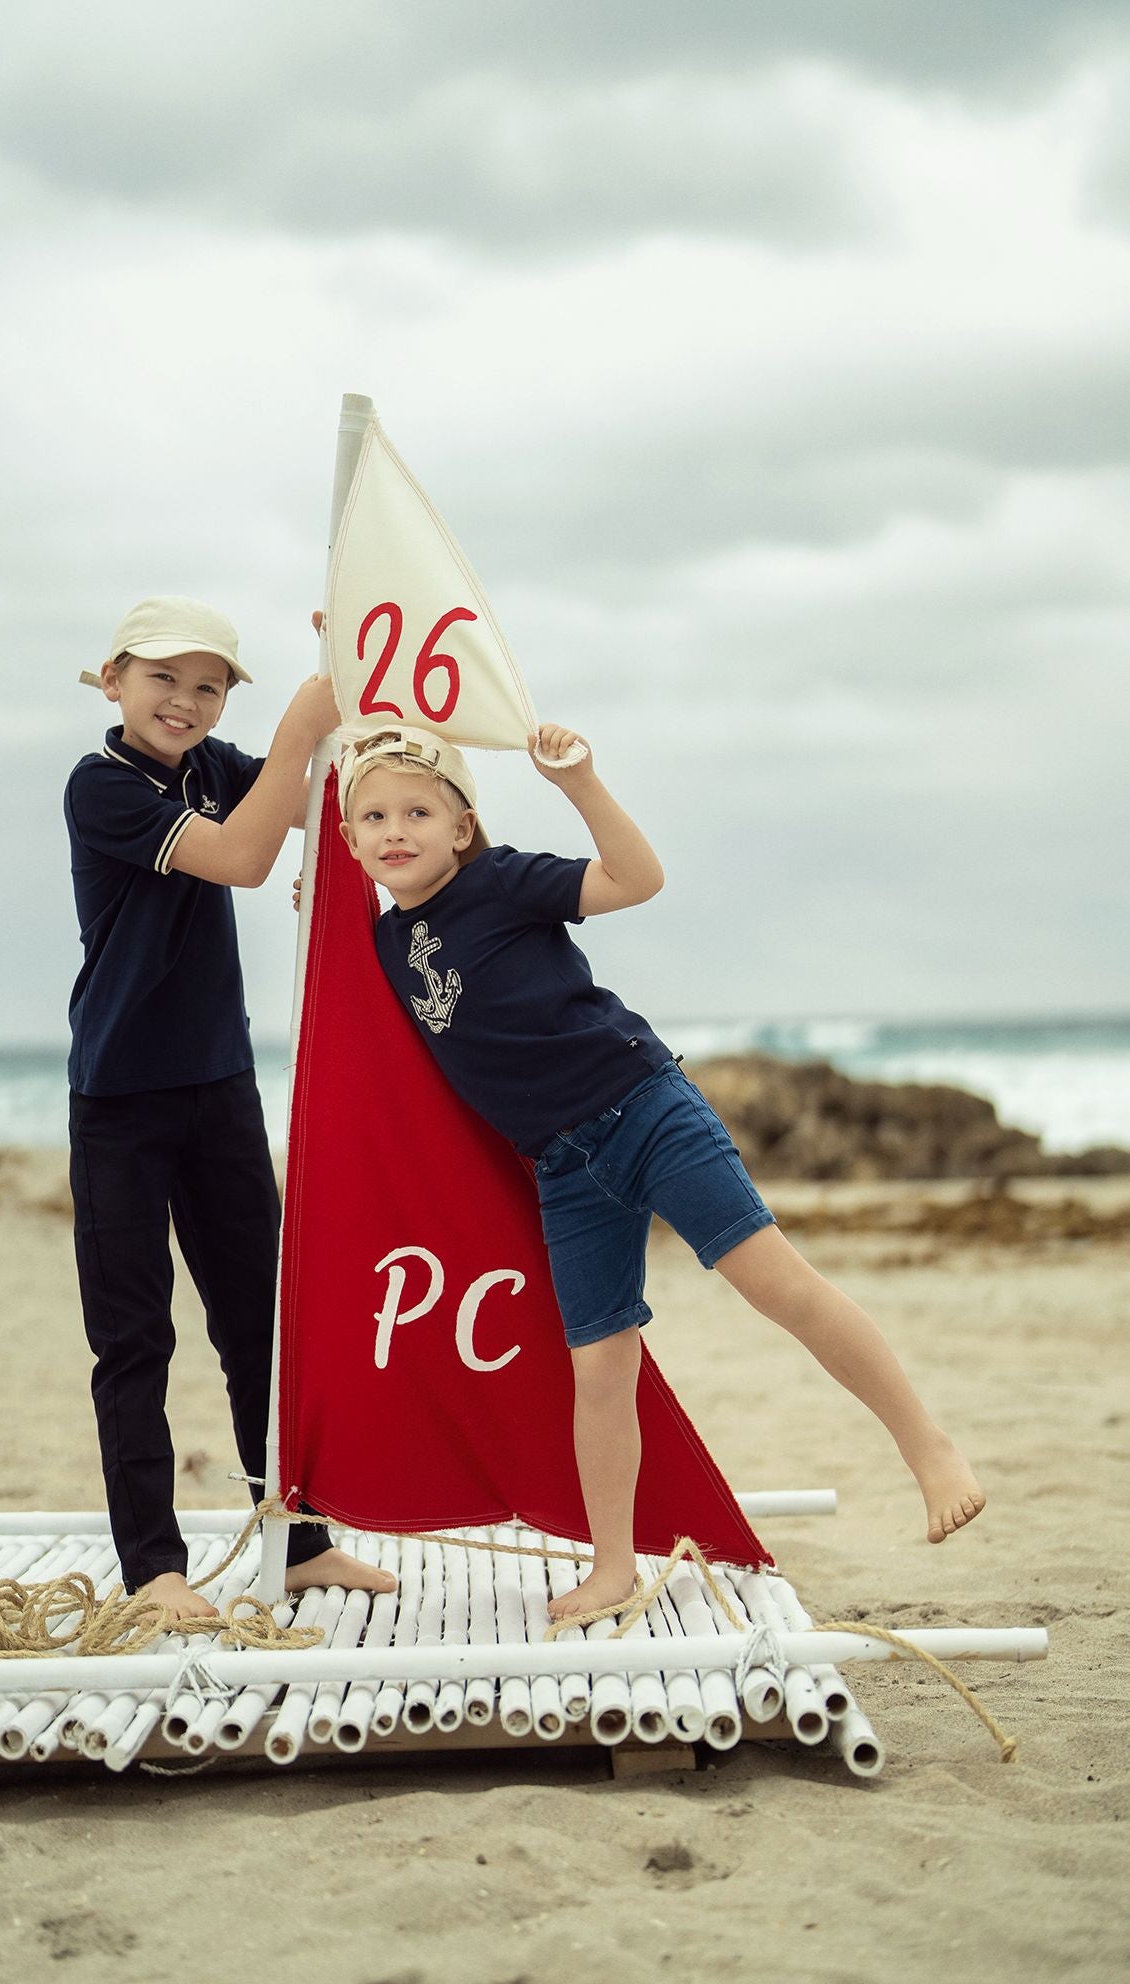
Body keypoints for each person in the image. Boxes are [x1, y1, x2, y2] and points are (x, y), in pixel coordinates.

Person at [336, 721, 986, 1623]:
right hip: (562, 1169)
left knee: (779, 1288)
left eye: (417, 810)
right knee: (600, 1367)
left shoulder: (501, 879)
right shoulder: (378, 943)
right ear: (347, 837)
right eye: (372, 816)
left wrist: (581, 783)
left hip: (644, 1109)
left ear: (462, 827)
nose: (394, 829)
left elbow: (636, 881)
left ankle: (929, 1449)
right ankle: (611, 1566)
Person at [65, 596, 395, 1619]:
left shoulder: (213, 768)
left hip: (217, 1085)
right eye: (165, 677)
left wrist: (345, 677)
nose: (186, 700)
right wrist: (302, 722)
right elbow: (243, 856)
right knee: (136, 1340)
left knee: (262, 1319)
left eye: (208, 685)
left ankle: (295, 1536)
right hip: (118, 1097)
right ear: (115, 678)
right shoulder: (99, 787)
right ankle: (154, 1567)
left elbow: (325, 802)